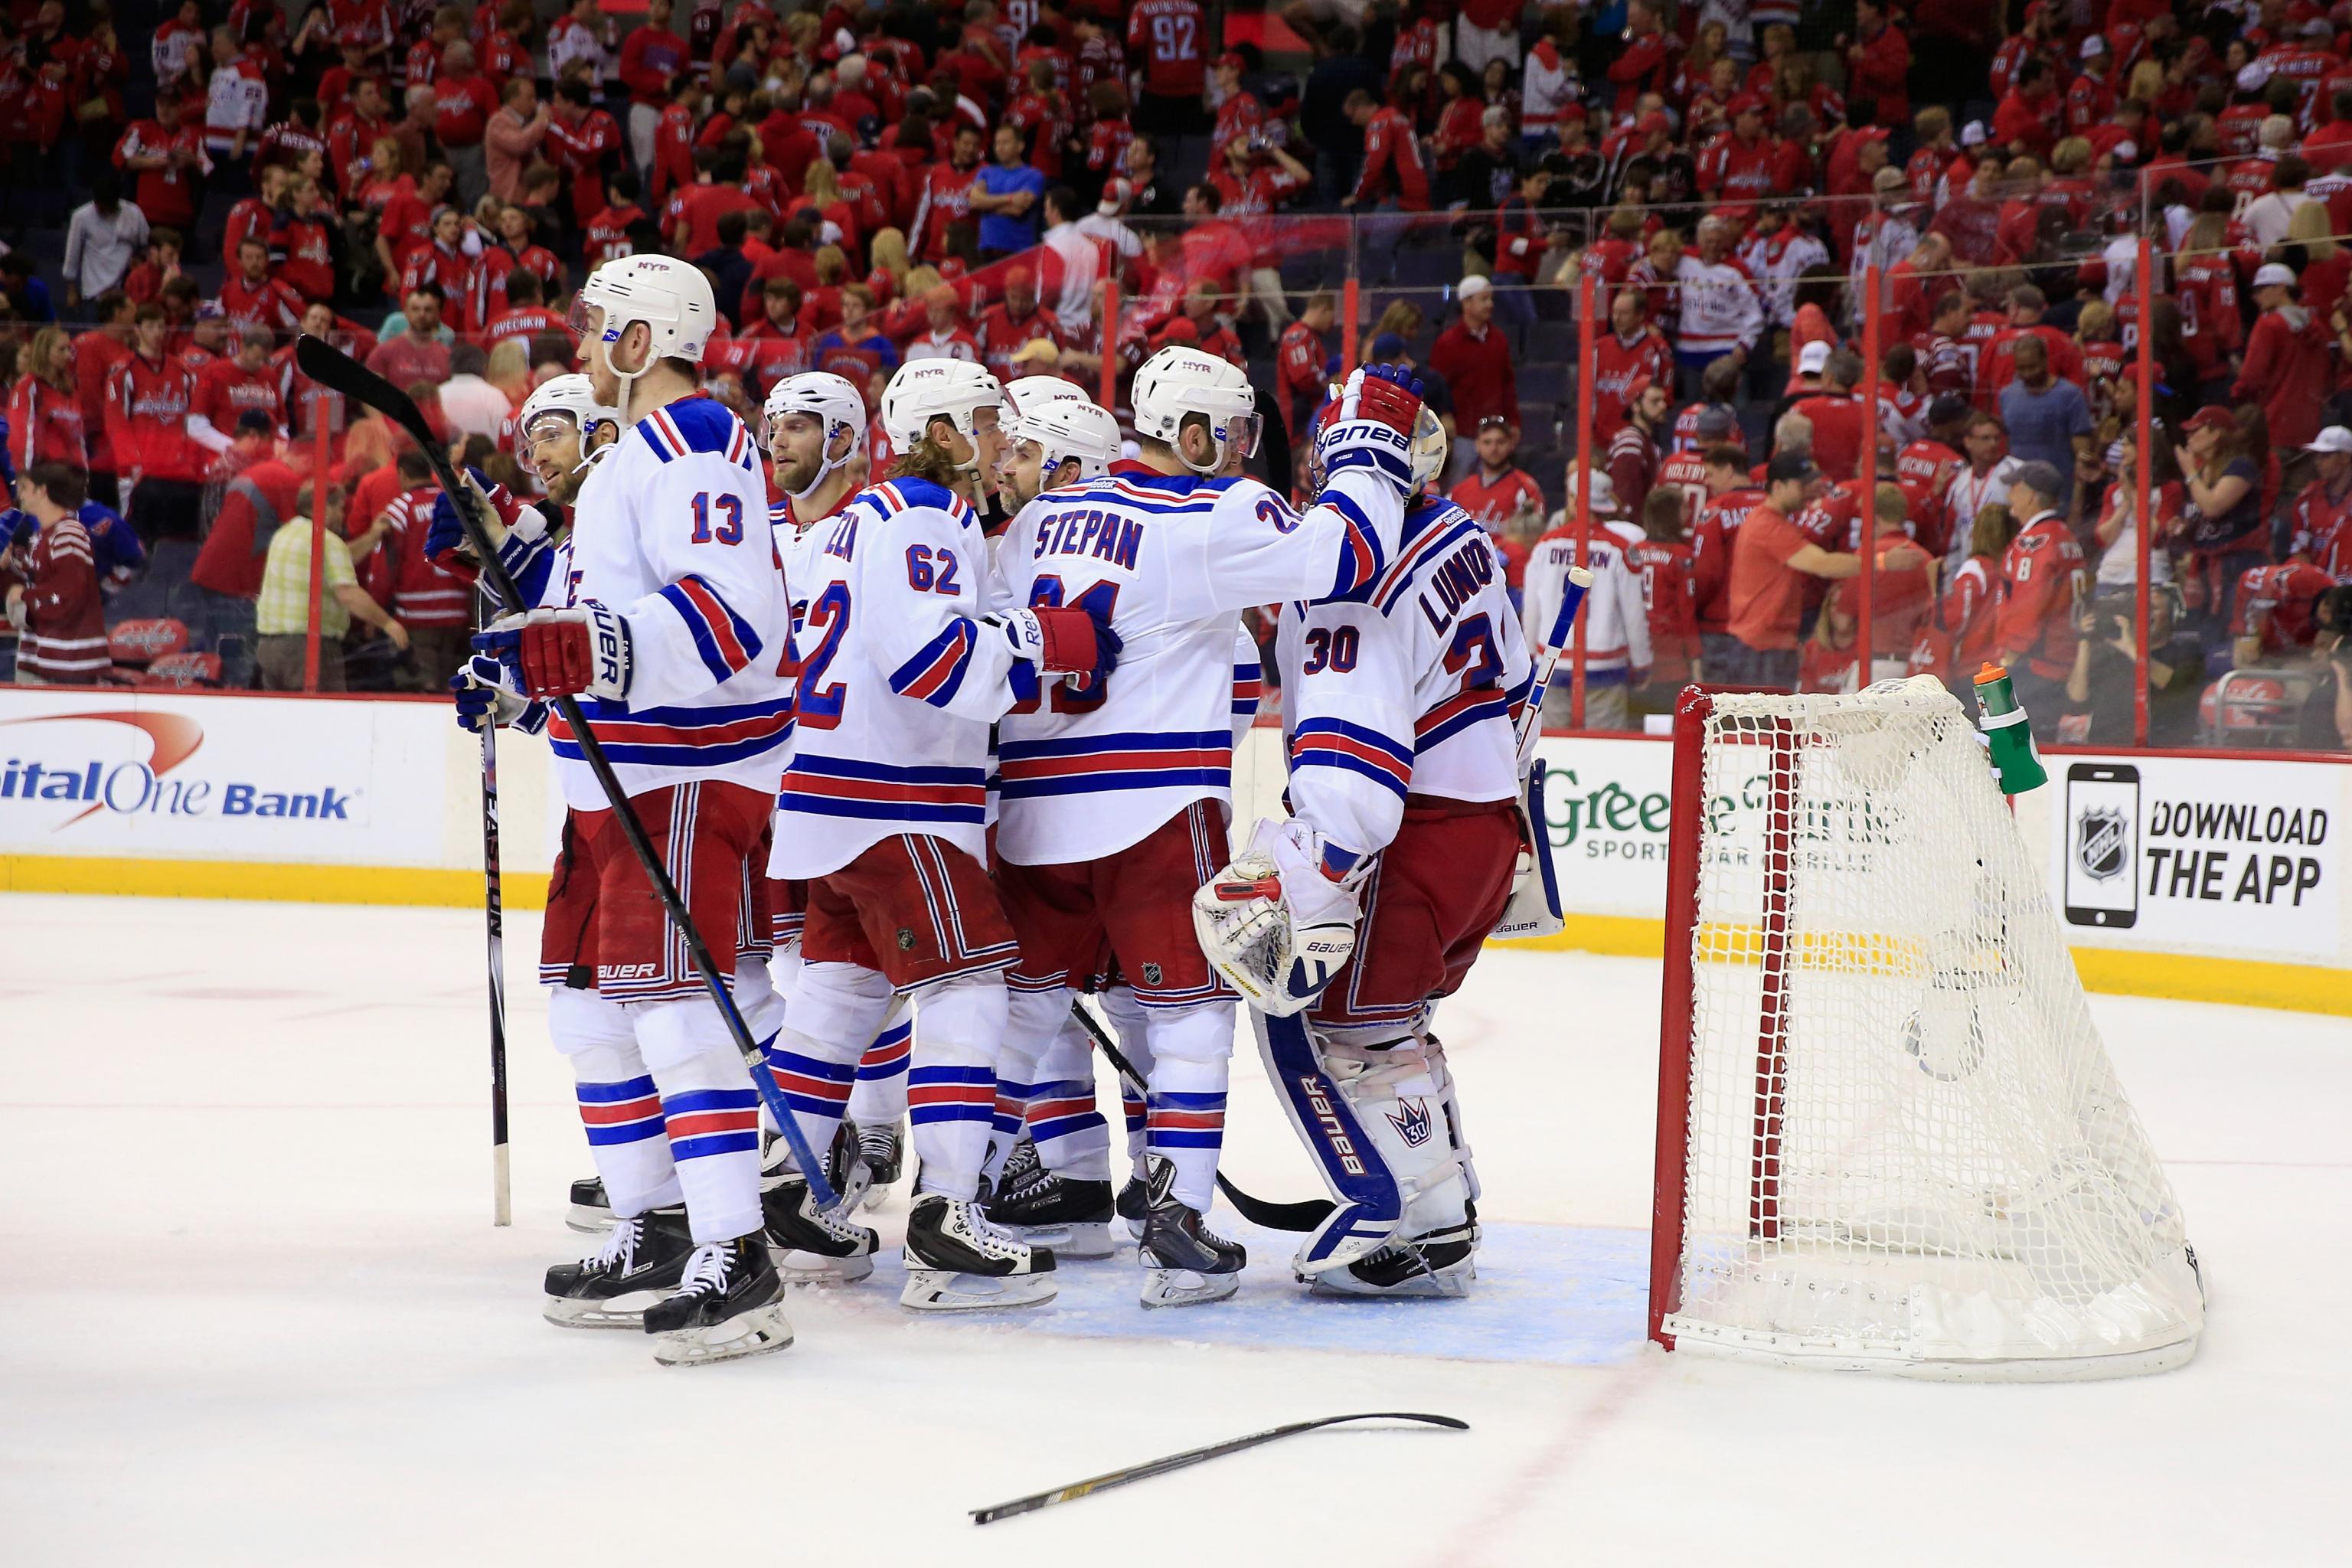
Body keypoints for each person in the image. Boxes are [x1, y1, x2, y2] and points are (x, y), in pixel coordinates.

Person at [986, 349, 1436, 1308]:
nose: (1239, 455)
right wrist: (1371, 443)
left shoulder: (1034, 517)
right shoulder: (1212, 511)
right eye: (1231, 437)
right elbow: (1344, 552)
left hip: (1026, 808)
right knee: (1191, 1012)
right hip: (1152, 807)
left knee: (1020, 1013)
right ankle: (1178, 1218)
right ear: (1194, 433)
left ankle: (962, 1205)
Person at [457, 256, 796, 1364]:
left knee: (677, 1012)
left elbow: (737, 619)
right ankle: (654, 1229)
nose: (586, 345)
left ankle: (736, 1253)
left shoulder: (694, 439)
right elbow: (586, 623)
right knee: (592, 1015)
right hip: (611, 780)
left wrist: (594, 646)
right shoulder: (623, 465)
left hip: (686, 772)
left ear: (643, 342)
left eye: (602, 327)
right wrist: (514, 670)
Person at [760, 356, 1116, 1314]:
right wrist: (1051, 643)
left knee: (838, 992)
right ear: (948, 432)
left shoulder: (851, 520)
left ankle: (791, 1193)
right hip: (899, 796)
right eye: (990, 423)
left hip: (825, 797)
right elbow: (932, 661)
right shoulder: (926, 511)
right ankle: (950, 1218)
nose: (1004, 440)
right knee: (970, 984)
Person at [1207, 394, 1530, 1297]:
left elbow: (1355, 782)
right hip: (1485, 829)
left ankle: (1405, 1221)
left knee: (1319, 1020)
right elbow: (1508, 684)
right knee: (1392, 1029)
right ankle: (1447, 1207)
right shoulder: (1460, 531)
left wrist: (1308, 875)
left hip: (1413, 840)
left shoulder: (1349, 581)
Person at [1724, 452, 1919, 691]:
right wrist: (1883, 562)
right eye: (1802, 484)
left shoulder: (1772, 523)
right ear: (1777, 486)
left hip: (1766, 645)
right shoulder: (1769, 526)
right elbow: (1822, 564)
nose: (1809, 490)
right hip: (1760, 649)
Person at [253, 480, 407, 691]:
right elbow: (348, 593)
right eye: (340, 509)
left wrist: (372, 537)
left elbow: (340, 558)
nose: (343, 517)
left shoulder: (284, 535)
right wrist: (388, 623)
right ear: (325, 507)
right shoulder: (326, 540)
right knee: (324, 715)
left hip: (270, 646)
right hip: (308, 648)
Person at [1523, 487, 1651, 732]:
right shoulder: (1620, 548)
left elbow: (1531, 608)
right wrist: (1641, 662)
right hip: (1605, 666)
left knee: (1552, 748)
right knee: (1604, 757)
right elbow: (1634, 613)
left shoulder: (1545, 545)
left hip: (1551, 663)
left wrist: (1530, 656)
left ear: (1573, 499)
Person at [1994, 461, 2087, 734]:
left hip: (2035, 667)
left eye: (2014, 489)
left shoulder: (2036, 542)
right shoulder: (2066, 536)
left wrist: (2008, 660)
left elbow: (2029, 606)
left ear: (2031, 495)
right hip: (2061, 661)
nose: (2010, 495)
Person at [5, 466, 106, 684]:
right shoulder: (45, 535)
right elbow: (43, 576)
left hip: (68, 660)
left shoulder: (68, 534)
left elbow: (69, 594)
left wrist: (23, 596)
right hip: (48, 655)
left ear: (42, 491)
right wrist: (12, 560)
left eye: (25, 488)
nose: (20, 494)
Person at [1999, 336, 2095, 507]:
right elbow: (2007, 444)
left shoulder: (2071, 395)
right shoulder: (2007, 395)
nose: (2027, 374)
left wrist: (2077, 502)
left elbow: (2082, 453)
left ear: (2045, 360)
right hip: (2020, 493)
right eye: (2021, 369)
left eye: (2032, 367)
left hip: (2059, 494)